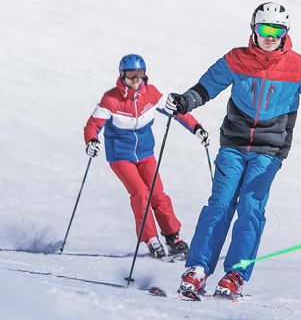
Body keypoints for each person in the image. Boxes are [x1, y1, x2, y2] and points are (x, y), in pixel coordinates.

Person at [166, 2, 301, 300]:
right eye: (265, 29)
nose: (270, 36)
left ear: (286, 33)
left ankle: (235, 274)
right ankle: (198, 268)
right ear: (254, 29)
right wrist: (184, 102)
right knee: (220, 204)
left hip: (269, 150)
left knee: (251, 208)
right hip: (233, 145)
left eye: (277, 30)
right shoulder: (236, 59)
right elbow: (206, 87)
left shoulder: (297, 65)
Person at [83, 54, 209, 259]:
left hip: (145, 154)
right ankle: (150, 239)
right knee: (141, 193)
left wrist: (196, 128)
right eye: (131, 74)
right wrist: (91, 141)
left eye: (139, 74)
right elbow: (93, 125)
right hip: (120, 156)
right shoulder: (111, 99)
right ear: (122, 75)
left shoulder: (151, 94)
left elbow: (177, 112)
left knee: (158, 194)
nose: (135, 79)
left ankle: (172, 237)